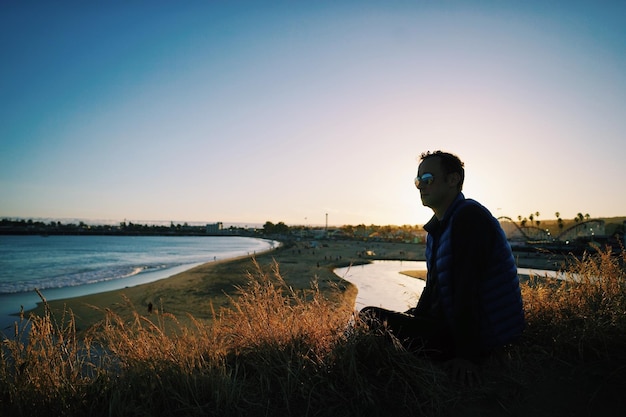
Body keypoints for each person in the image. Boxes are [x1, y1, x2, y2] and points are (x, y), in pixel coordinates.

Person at [360, 150, 524, 384]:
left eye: (427, 179)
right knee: (384, 319)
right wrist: (415, 318)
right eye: (418, 181)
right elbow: (434, 289)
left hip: (488, 337)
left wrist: (468, 356)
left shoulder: (469, 217)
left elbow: (467, 289)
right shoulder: (440, 228)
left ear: (453, 180)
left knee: (370, 317)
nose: (420, 187)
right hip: (453, 328)